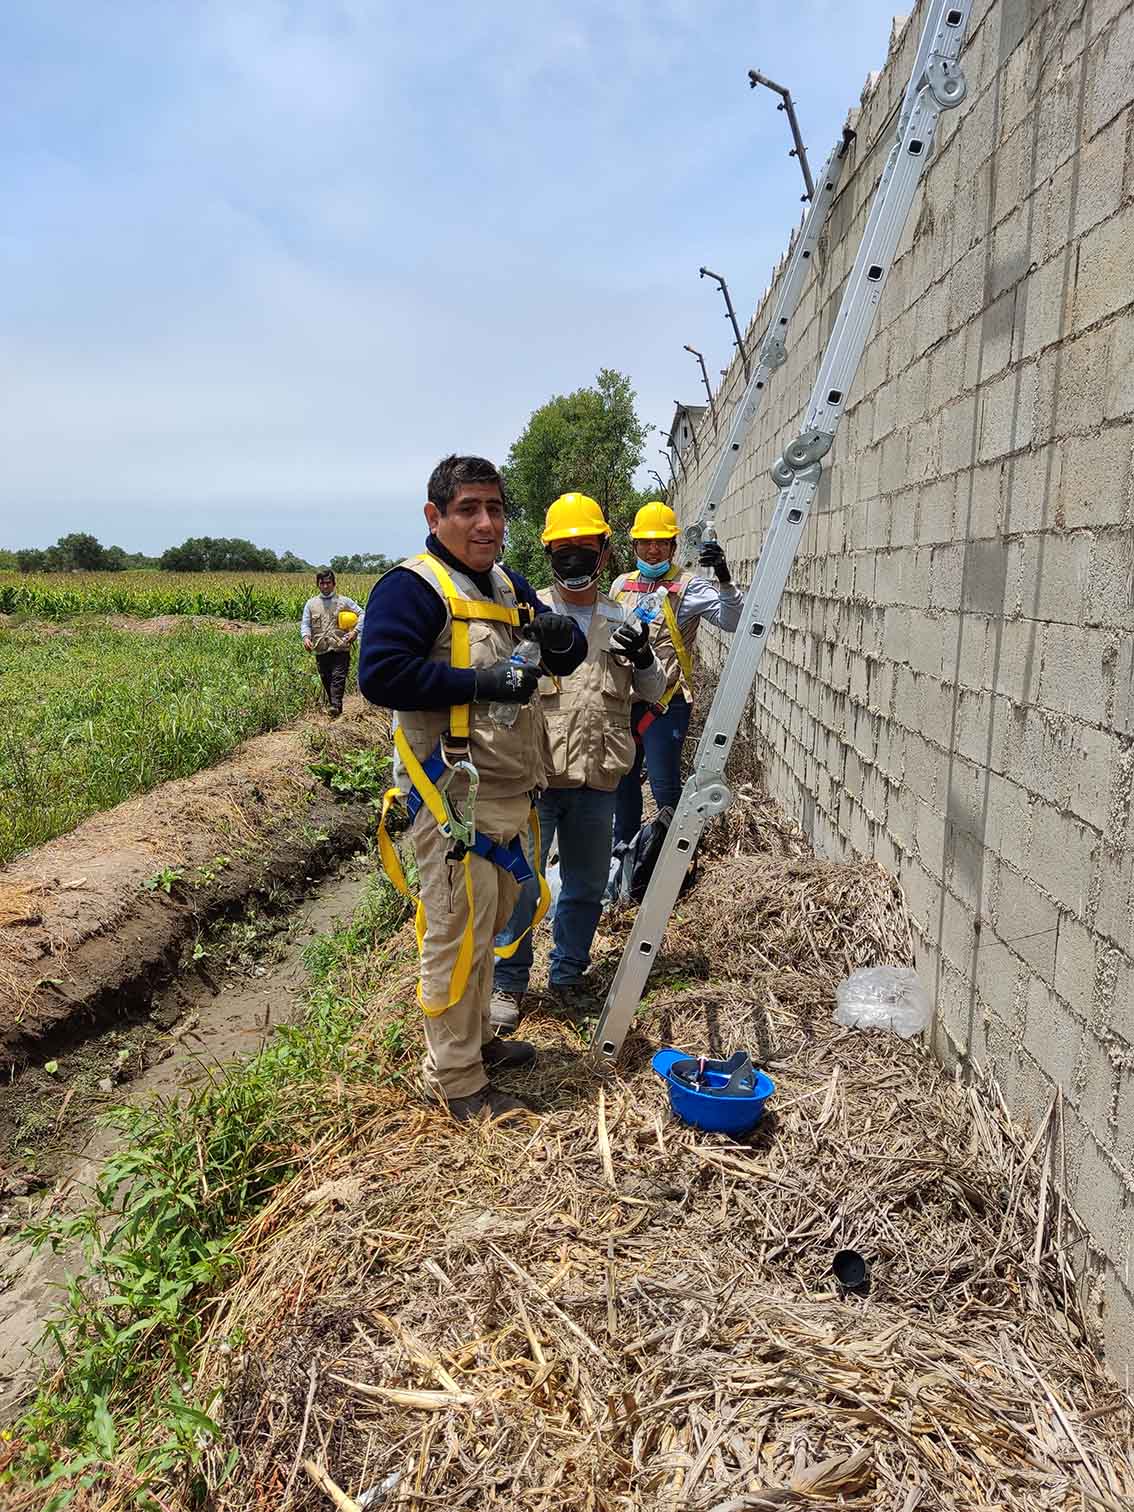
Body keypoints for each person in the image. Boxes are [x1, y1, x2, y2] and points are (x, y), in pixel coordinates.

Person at [358, 455, 587, 1123]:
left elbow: (564, 656)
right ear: (435, 517)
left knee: (486, 929)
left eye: (494, 509)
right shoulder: (414, 588)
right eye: (468, 510)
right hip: (451, 799)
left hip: (510, 793)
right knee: (456, 935)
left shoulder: (504, 582)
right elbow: (381, 676)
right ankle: (455, 1079)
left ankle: (479, 1039)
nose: (485, 522)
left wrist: (558, 635)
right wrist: (480, 684)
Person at [489, 494, 666, 1032]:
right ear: (548, 554)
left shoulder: (624, 620)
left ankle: (567, 976)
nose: (573, 560)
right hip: (537, 778)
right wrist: (526, 654)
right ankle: (507, 984)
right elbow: (502, 701)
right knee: (520, 885)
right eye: (563, 550)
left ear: (604, 552)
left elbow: (653, 690)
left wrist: (643, 657)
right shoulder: (530, 615)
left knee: (587, 886)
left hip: (599, 777)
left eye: (583, 548)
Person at [611, 502, 742, 848]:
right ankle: (625, 858)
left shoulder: (689, 587)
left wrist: (724, 577)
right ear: (634, 545)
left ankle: (670, 861)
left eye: (661, 543)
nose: (652, 550)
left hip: (665, 704)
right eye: (645, 542)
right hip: (625, 702)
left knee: (664, 785)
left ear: (672, 546)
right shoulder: (621, 585)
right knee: (622, 785)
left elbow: (732, 621)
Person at [301, 568, 365, 718]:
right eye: (322, 583)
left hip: (340, 646)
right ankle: (335, 707)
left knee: (338, 676)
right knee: (326, 678)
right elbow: (305, 624)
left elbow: (362, 614)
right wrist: (306, 637)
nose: (325, 586)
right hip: (321, 648)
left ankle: (335, 705)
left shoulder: (344, 601)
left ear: (334, 584)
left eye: (328, 583)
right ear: (318, 584)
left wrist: (355, 632)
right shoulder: (311, 604)